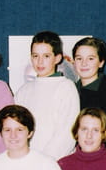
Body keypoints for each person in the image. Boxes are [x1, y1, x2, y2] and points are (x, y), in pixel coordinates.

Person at [14, 31, 79, 160]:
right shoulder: (23, 91)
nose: (40, 61)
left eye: (46, 56)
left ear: (57, 58)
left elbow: (67, 134)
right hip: (27, 161)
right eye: (35, 56)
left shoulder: (66, 87)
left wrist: (43, 162)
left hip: (56, 163)